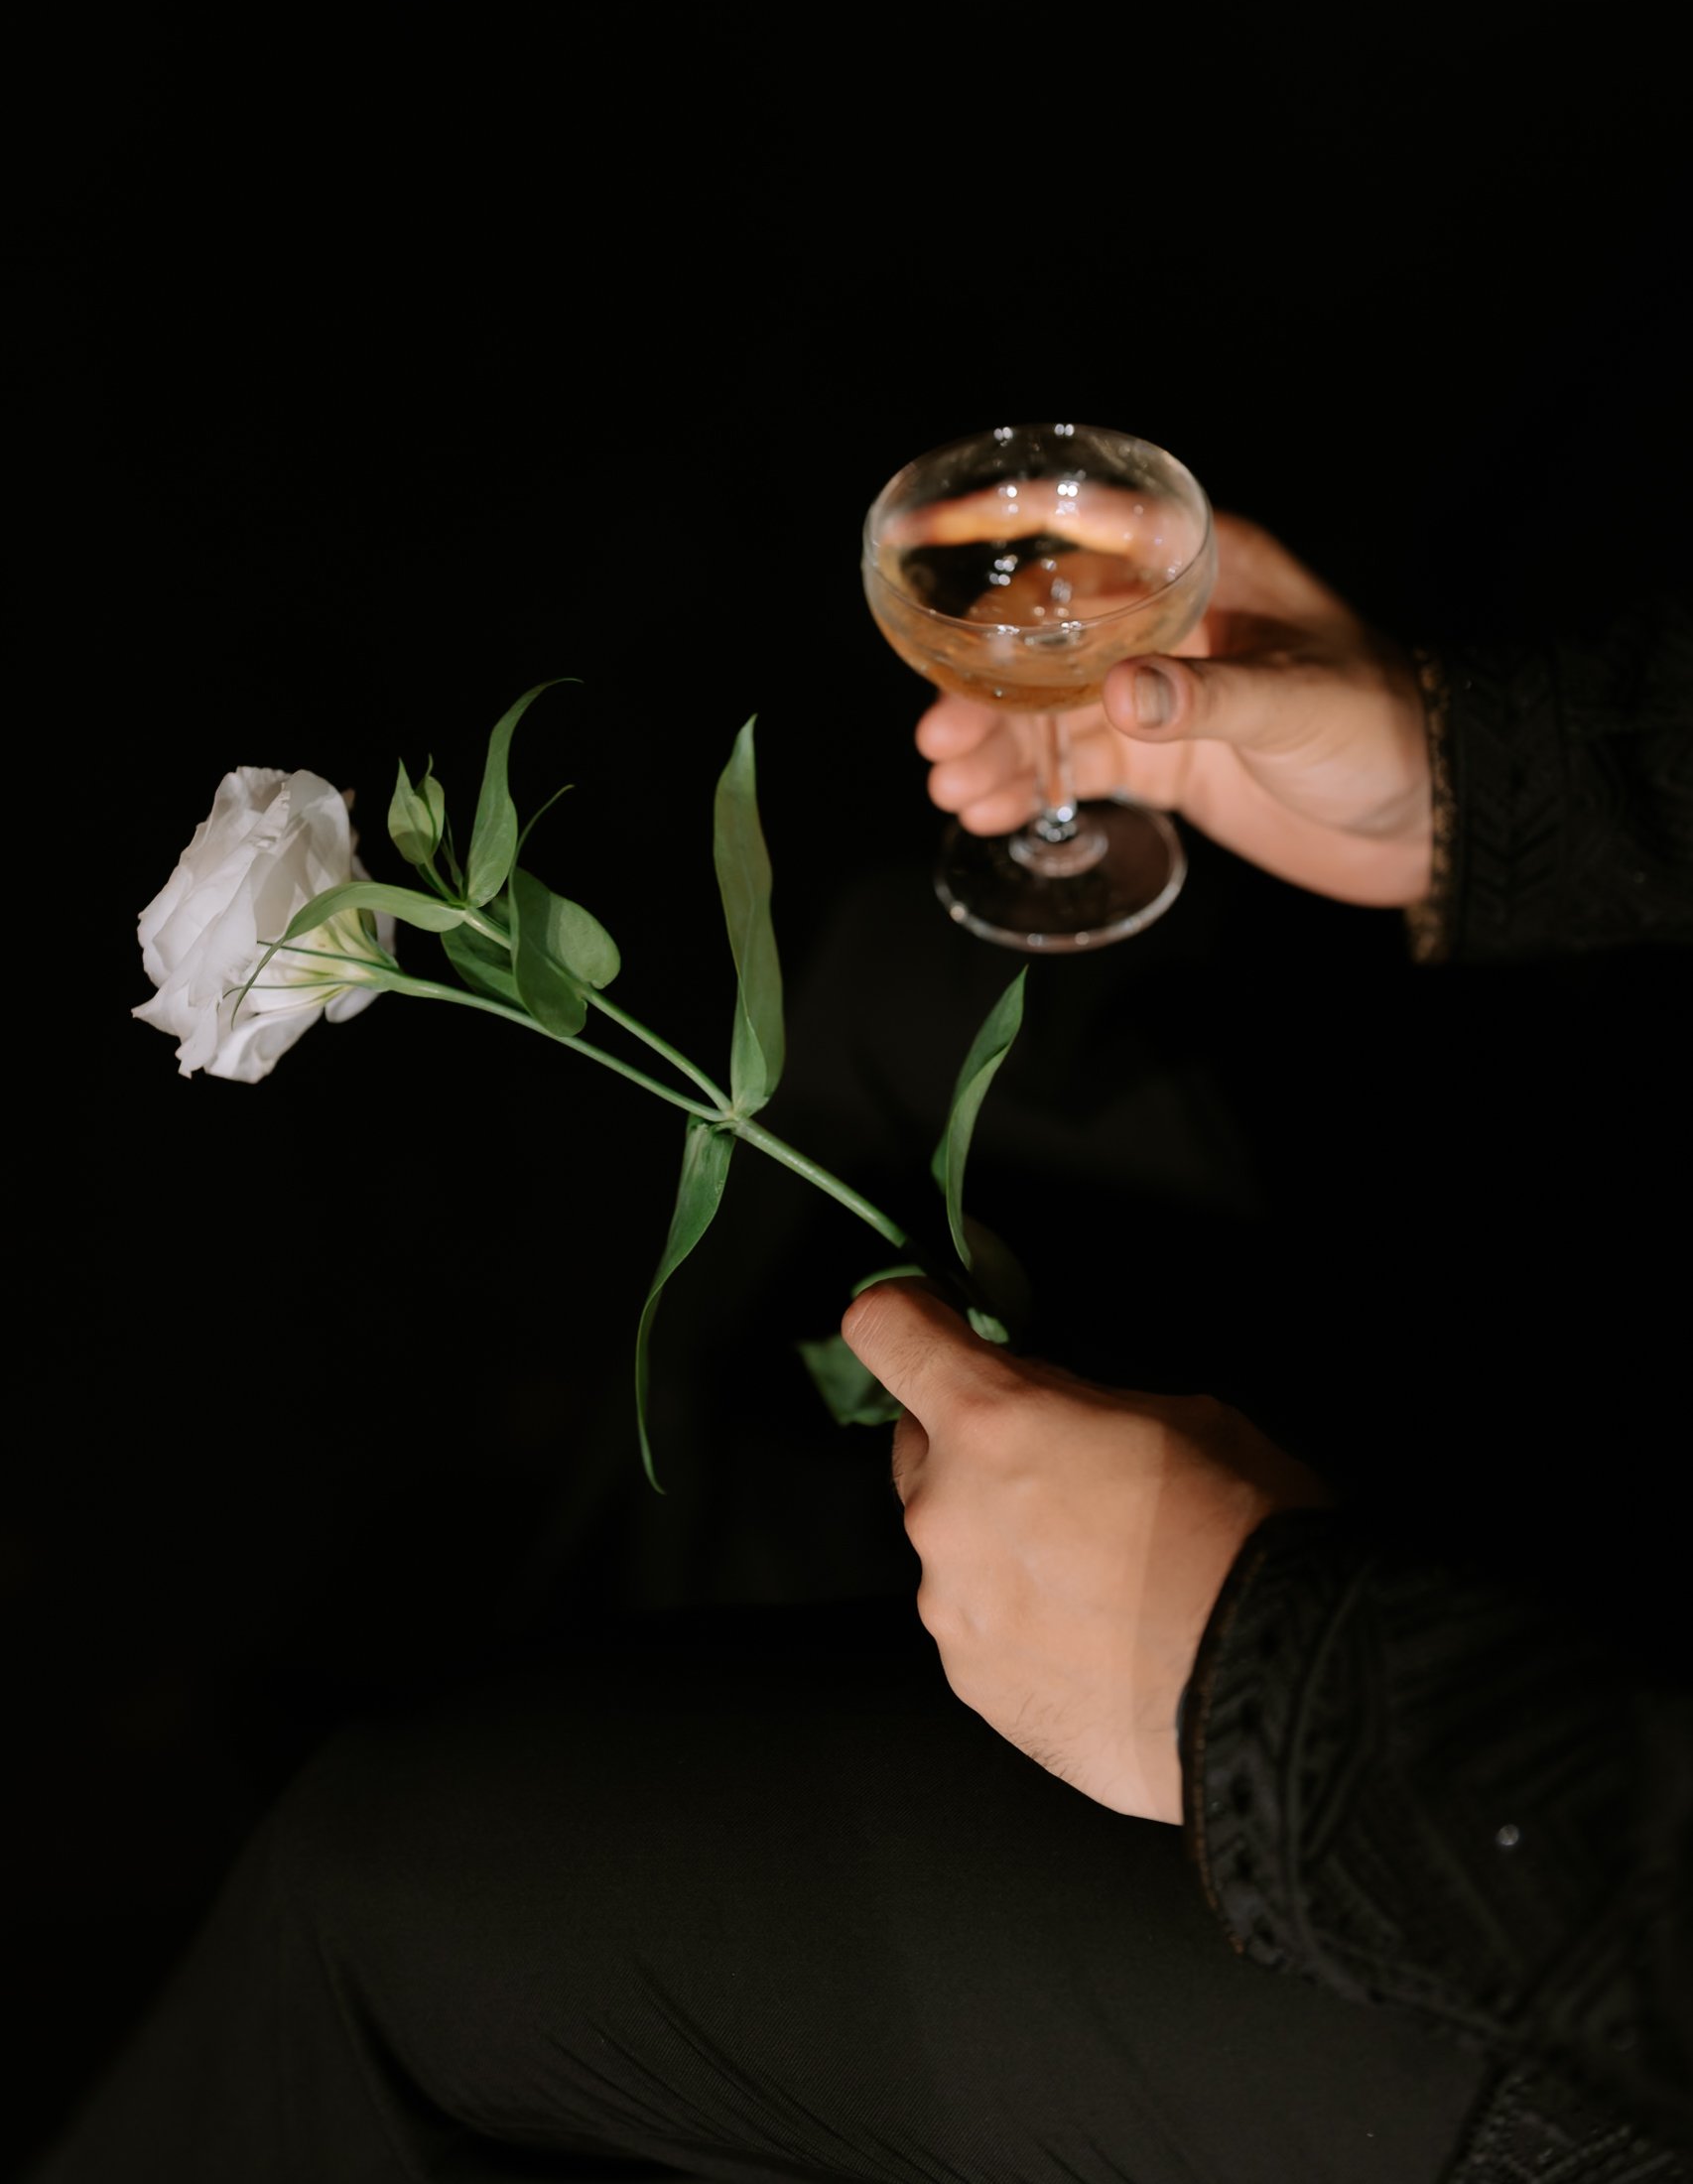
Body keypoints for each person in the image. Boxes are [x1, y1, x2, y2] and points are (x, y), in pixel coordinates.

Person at [33, 520, 1692, 2184]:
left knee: (371, 1885)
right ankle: (636, 1624)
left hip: (1547, 1950)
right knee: (890, 993)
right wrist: (1495, 780)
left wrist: (1270, 1683)